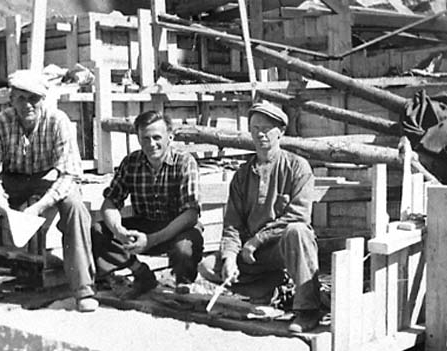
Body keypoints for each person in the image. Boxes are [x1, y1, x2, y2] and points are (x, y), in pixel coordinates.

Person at [0, 69, 98, 312]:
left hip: (47, 176)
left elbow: (69, 174)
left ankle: (83, 289)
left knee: (75, 206)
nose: (27, 105)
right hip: (11, 179)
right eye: (21, 98)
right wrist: (2, 206)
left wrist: (38, 207)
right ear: (11, 100)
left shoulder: (58, 121)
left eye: (33, 98)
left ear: (43, 99)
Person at [198, 101, 321, 333]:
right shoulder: (242, 175)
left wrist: (257, 240)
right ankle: (269, 289)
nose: (260, 134)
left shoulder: (297, 168)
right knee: (207, 266)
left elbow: (299, 216)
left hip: (282, 249)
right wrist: (230, 257)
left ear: (281, 132)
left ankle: (308, 310)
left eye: (266, 129)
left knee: (298, 231)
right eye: (255, 129)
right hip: (253, 257)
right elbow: (232, 225)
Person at [91, 110, 203, 297]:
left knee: (185, 247)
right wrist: (119, 231)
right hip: (146, 223)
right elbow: (110, 202)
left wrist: (151, 240)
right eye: (145, 138)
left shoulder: (185, 162)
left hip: (178, 227)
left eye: (157, 137)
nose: (151, 144)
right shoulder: (131, 162)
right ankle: (141, 273)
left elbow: (191, 214)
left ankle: (183, 286)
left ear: (170, 137)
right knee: (98, 230)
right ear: (138, 139)